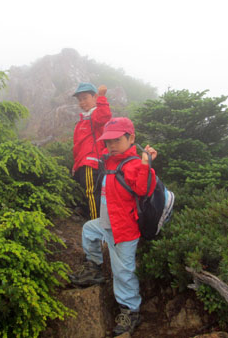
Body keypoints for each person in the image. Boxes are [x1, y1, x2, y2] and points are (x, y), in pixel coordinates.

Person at [69, 117, 157, 336]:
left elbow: (144, 190)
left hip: (124, 232)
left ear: (131, 138)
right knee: (89, 229)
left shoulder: (135, 164)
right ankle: (94, 268)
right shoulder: (109, 163)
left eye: (117, 140)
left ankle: (130, 311)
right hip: (107, 224)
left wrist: (146, 164)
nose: (111, 145)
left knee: (122, 273)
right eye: (107, 142)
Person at [72, 82, 112, 220]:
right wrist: (75, 165)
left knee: (92, 192)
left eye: (85, 98)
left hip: (92, 162)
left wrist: (102, 97)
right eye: (80, 99)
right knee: (86, 192)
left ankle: (97, 225)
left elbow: (104, 116)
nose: (82, 102)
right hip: (82, 163)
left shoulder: (96, 116)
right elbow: (77, 147)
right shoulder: (82, 121)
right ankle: (88, 216)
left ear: (94, 97)